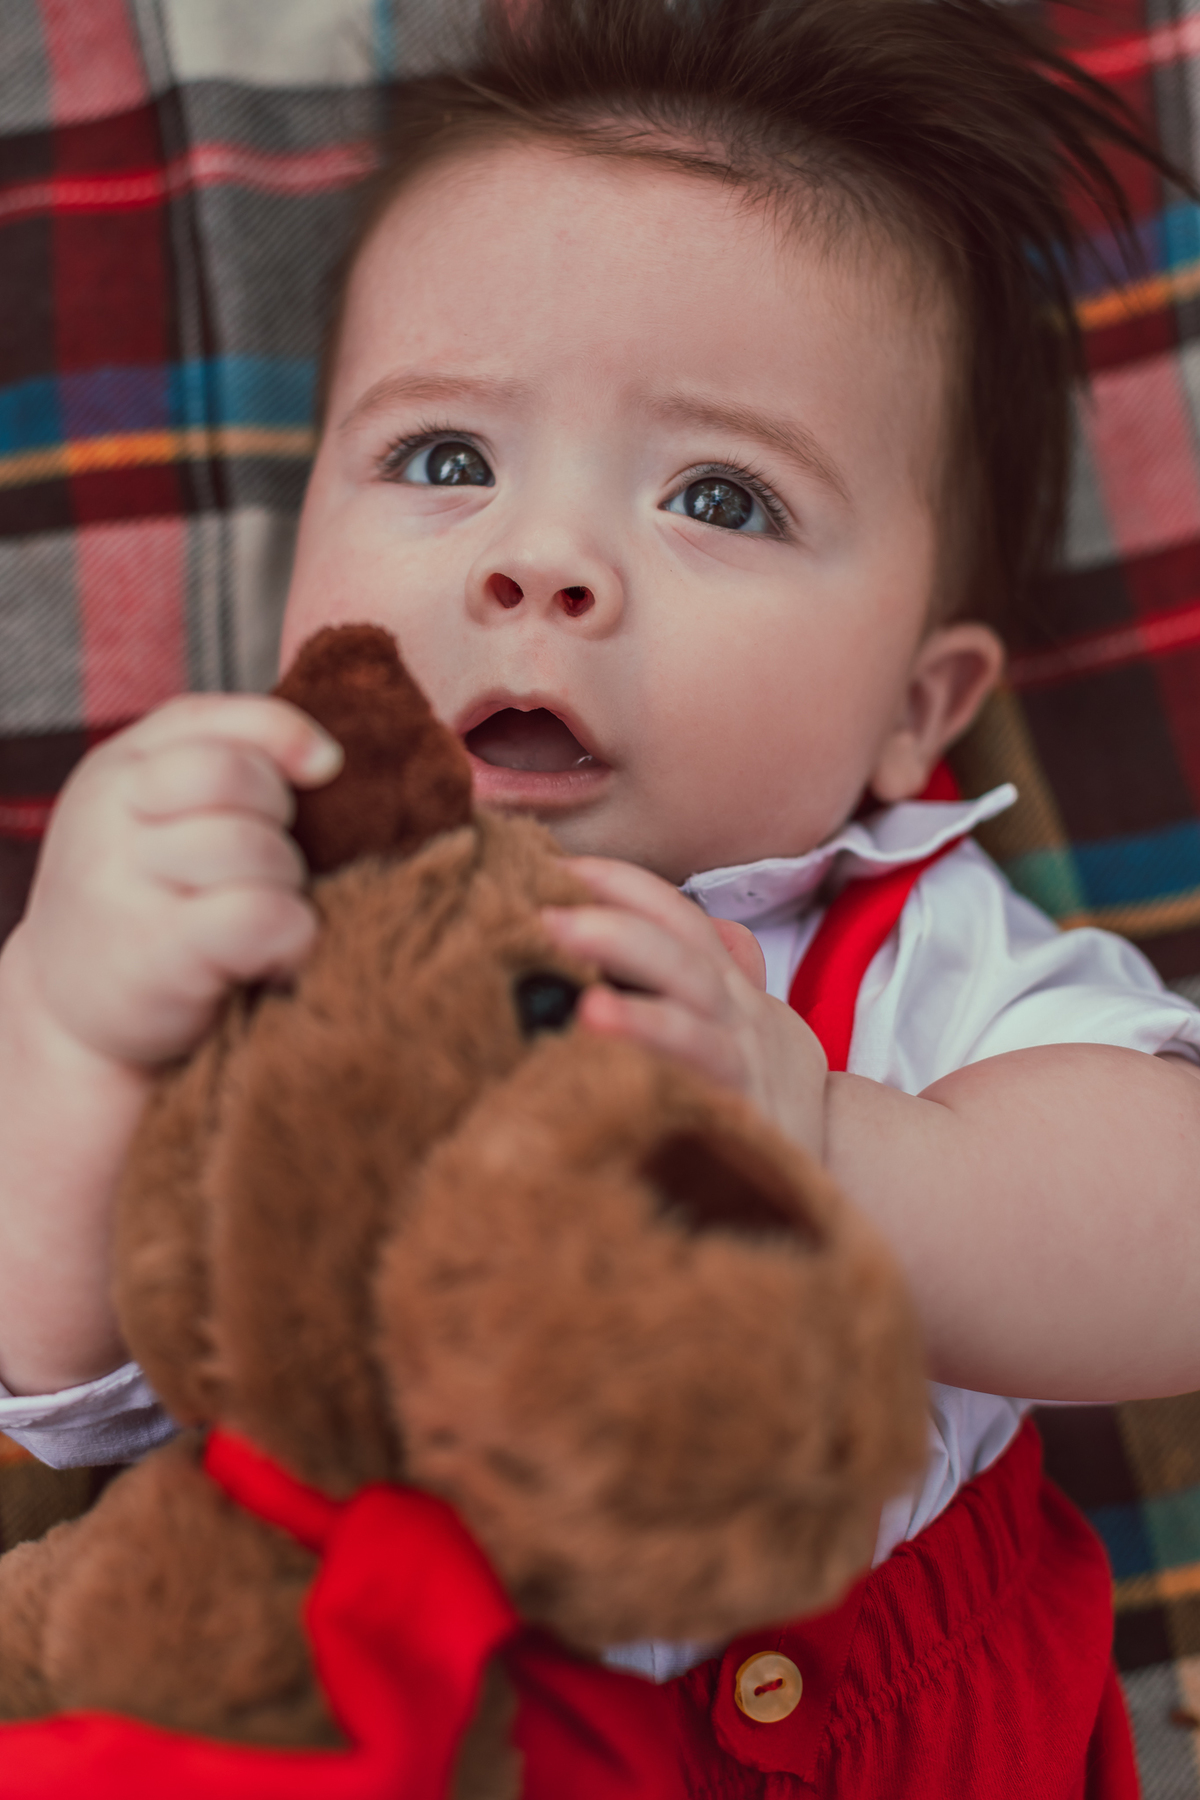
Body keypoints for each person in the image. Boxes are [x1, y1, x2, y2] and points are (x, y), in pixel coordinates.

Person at [0, 0, 1197, 1789]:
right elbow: (71, 1390)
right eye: (443, 460)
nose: (540, 562)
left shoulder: (904, 946)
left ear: (914, 713)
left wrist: (851, 1147)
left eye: (719, 495)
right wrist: (71, 1023)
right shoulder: (247, 918)